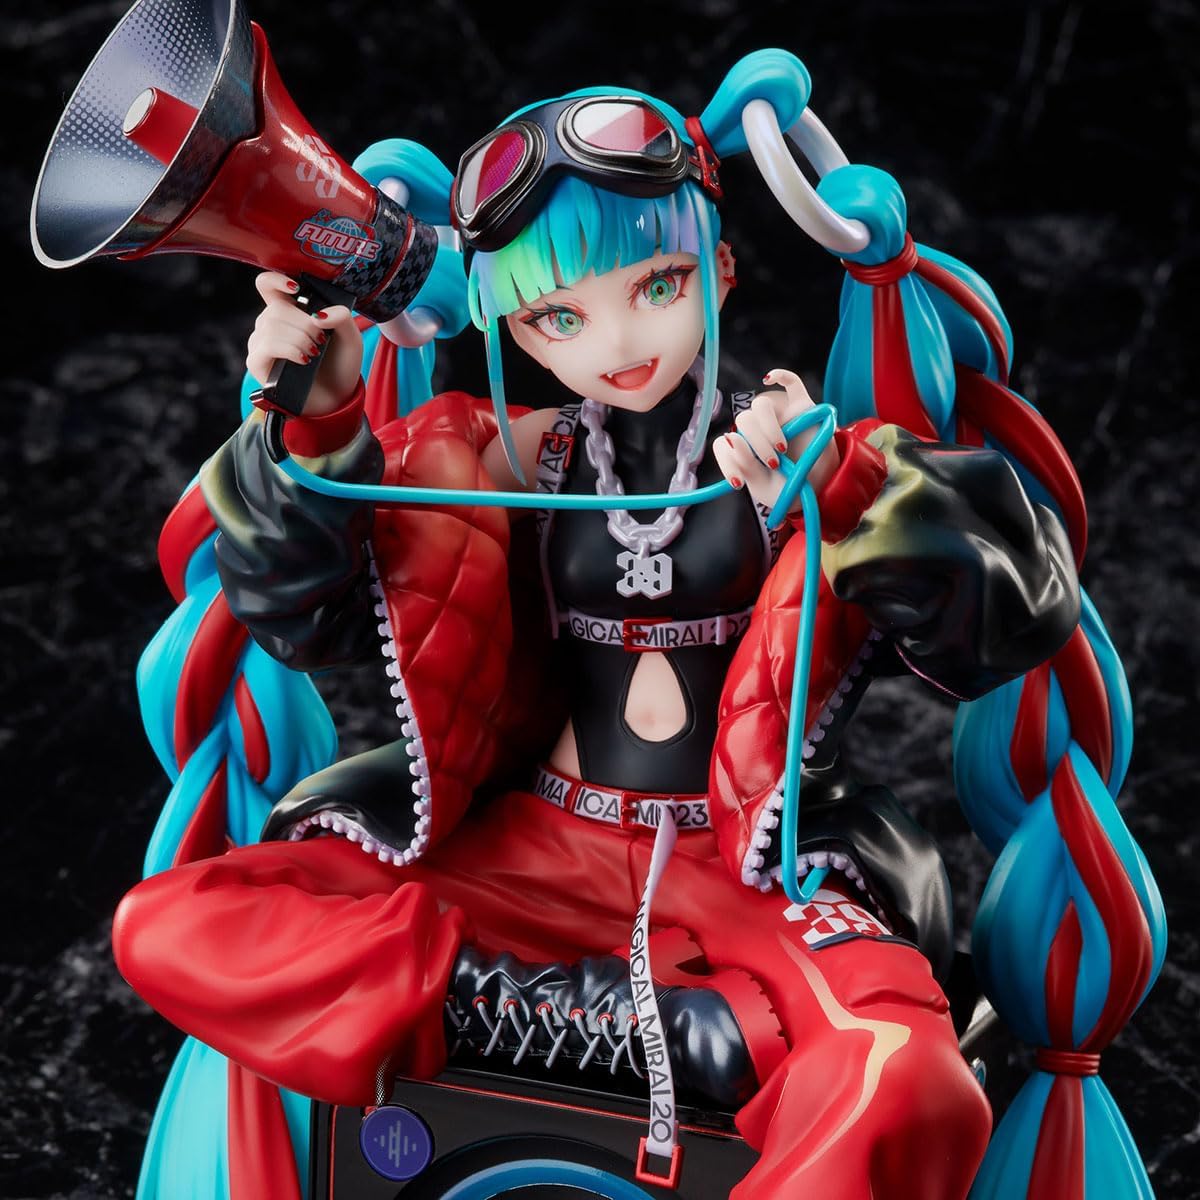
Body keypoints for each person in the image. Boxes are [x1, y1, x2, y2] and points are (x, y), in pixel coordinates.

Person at [114, 51, 1164, 1200]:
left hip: (747, 868)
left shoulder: (804, 446)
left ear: (721, 268)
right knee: (178, 920)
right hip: (534, 844)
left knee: (906, 1079)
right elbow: (296, 616)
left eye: (657, 285)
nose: (616, 344)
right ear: (518, 333)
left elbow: (1017, 613)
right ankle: (550, 1011)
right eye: (560, 316)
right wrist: (315, 424)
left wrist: (840, 486)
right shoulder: (500, 456)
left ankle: (577, 1014)